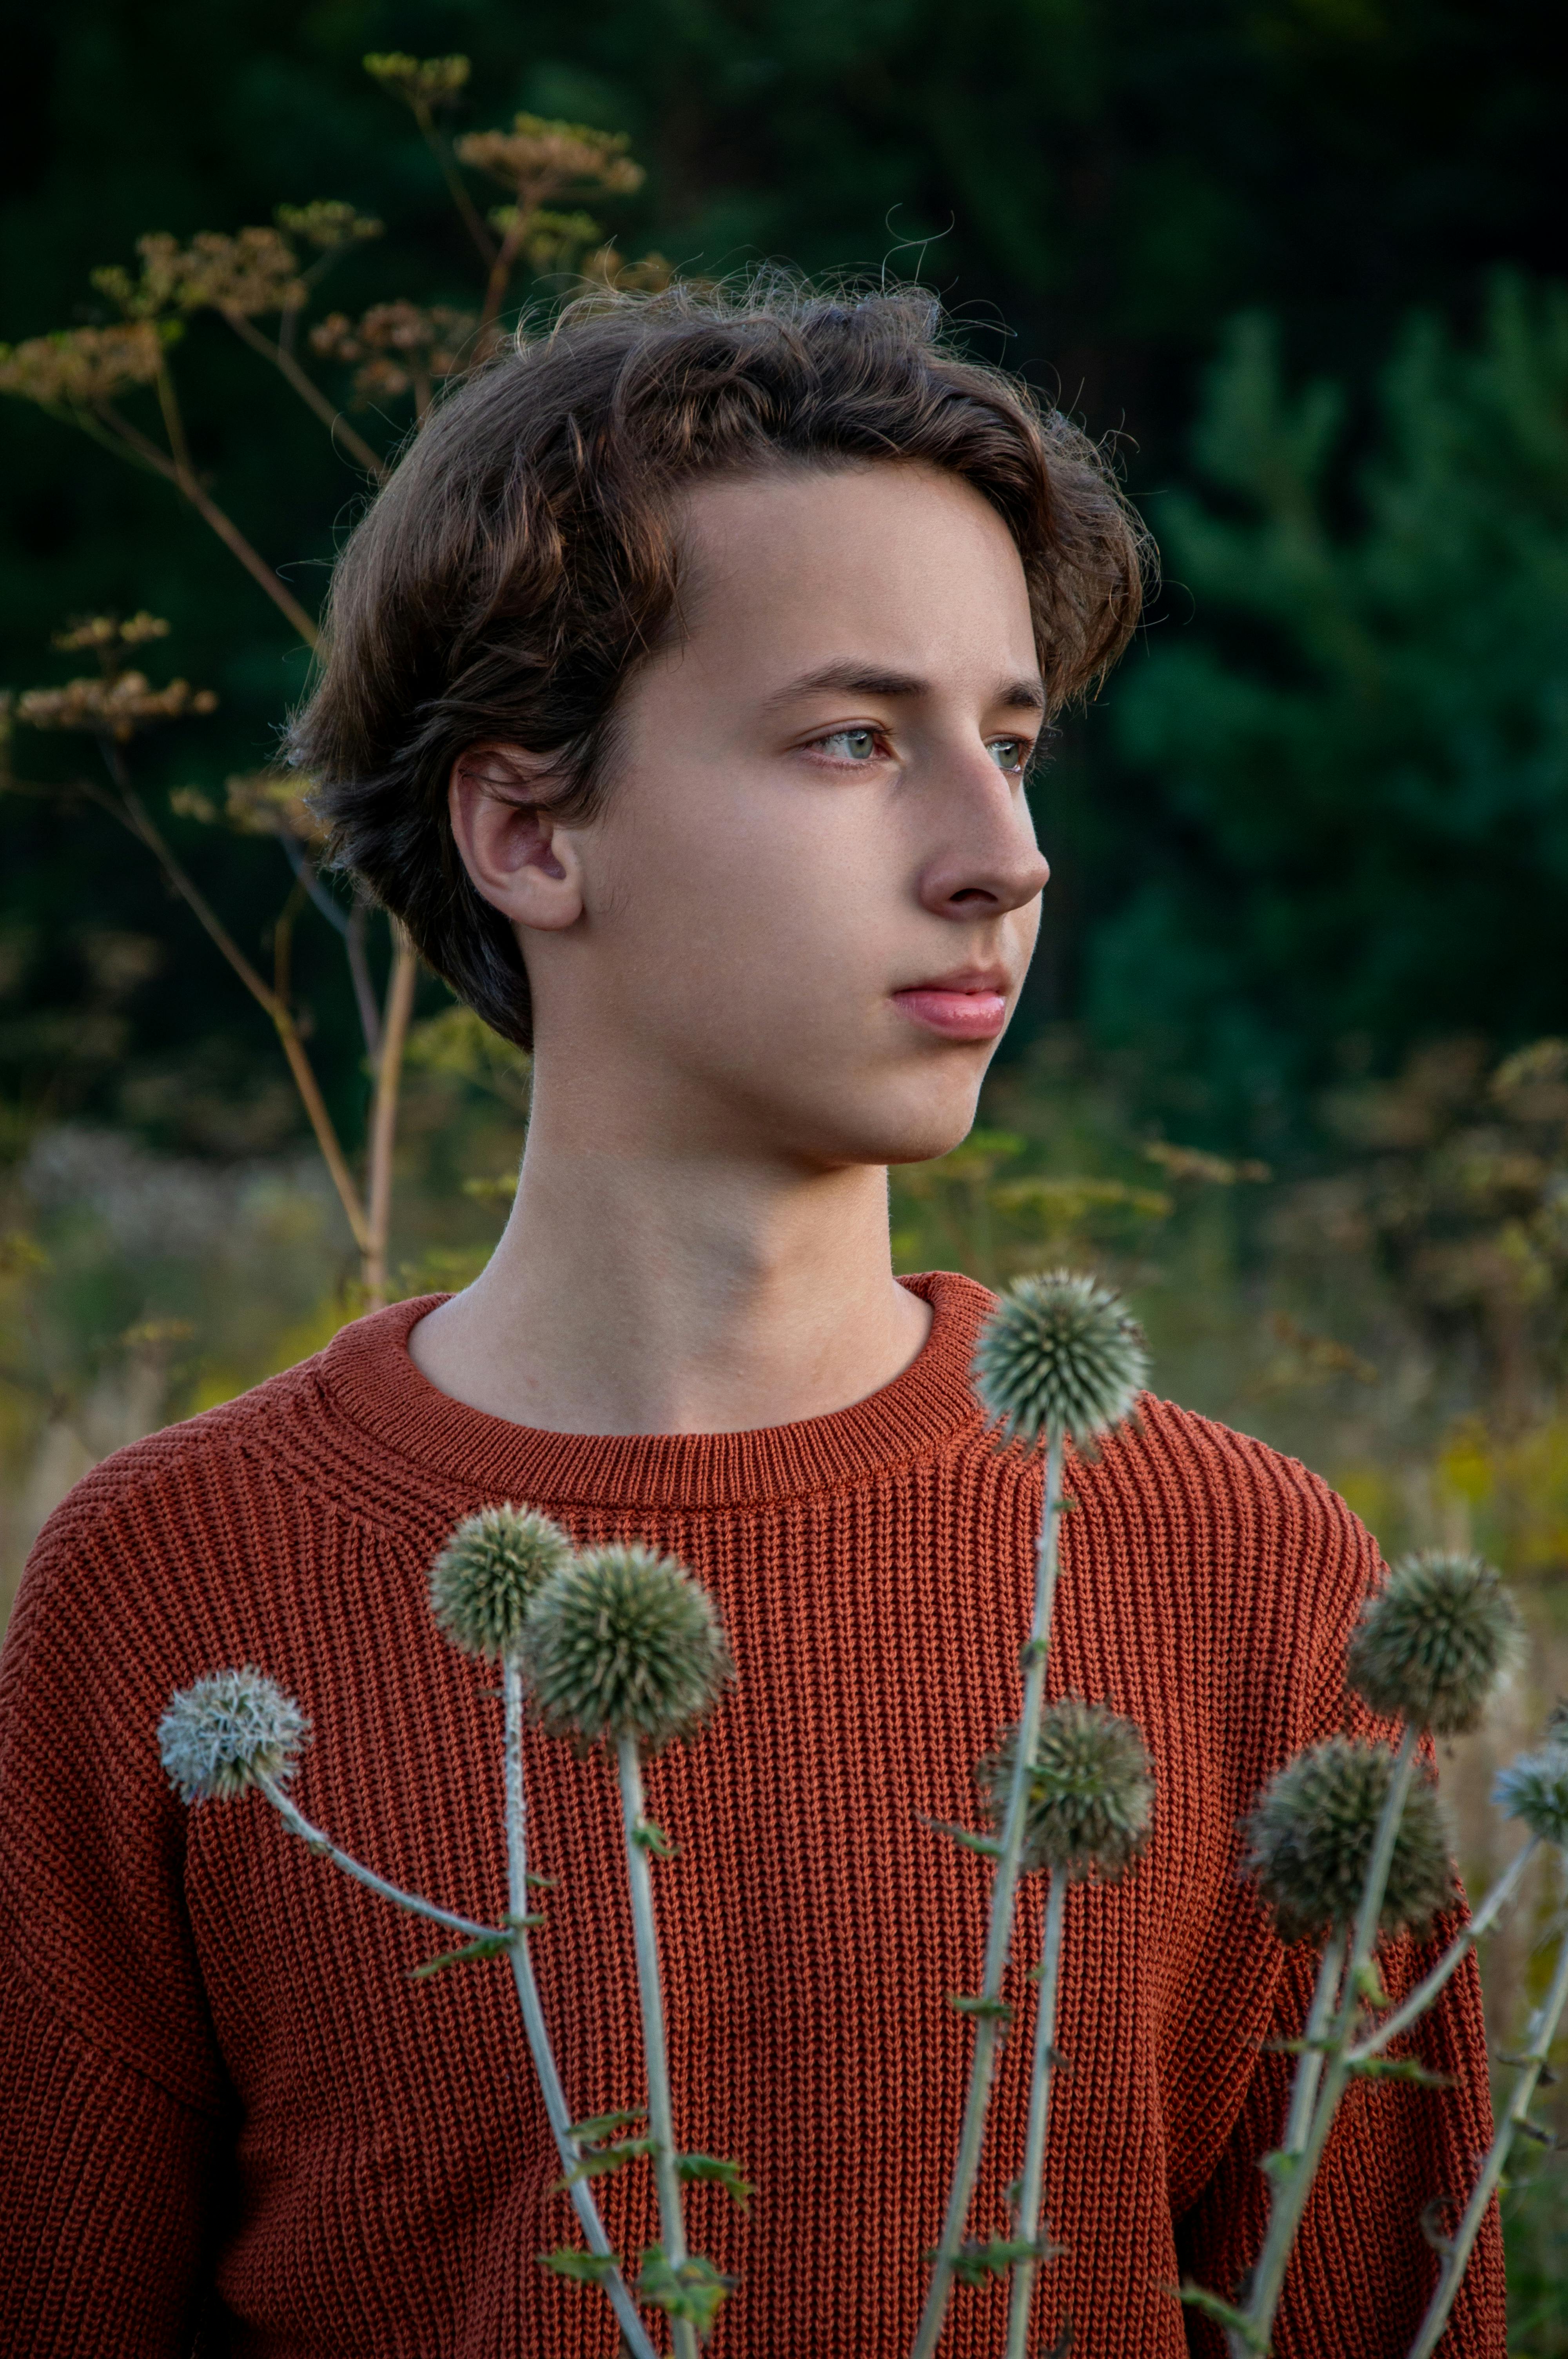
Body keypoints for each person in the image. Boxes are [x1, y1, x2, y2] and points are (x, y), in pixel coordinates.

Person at [0, 281, 1502, 2357]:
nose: (1004, 858)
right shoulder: (167, 1586)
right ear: (531, 828)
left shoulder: (1250, 1578)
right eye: (853, 741)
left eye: (1013, 742)